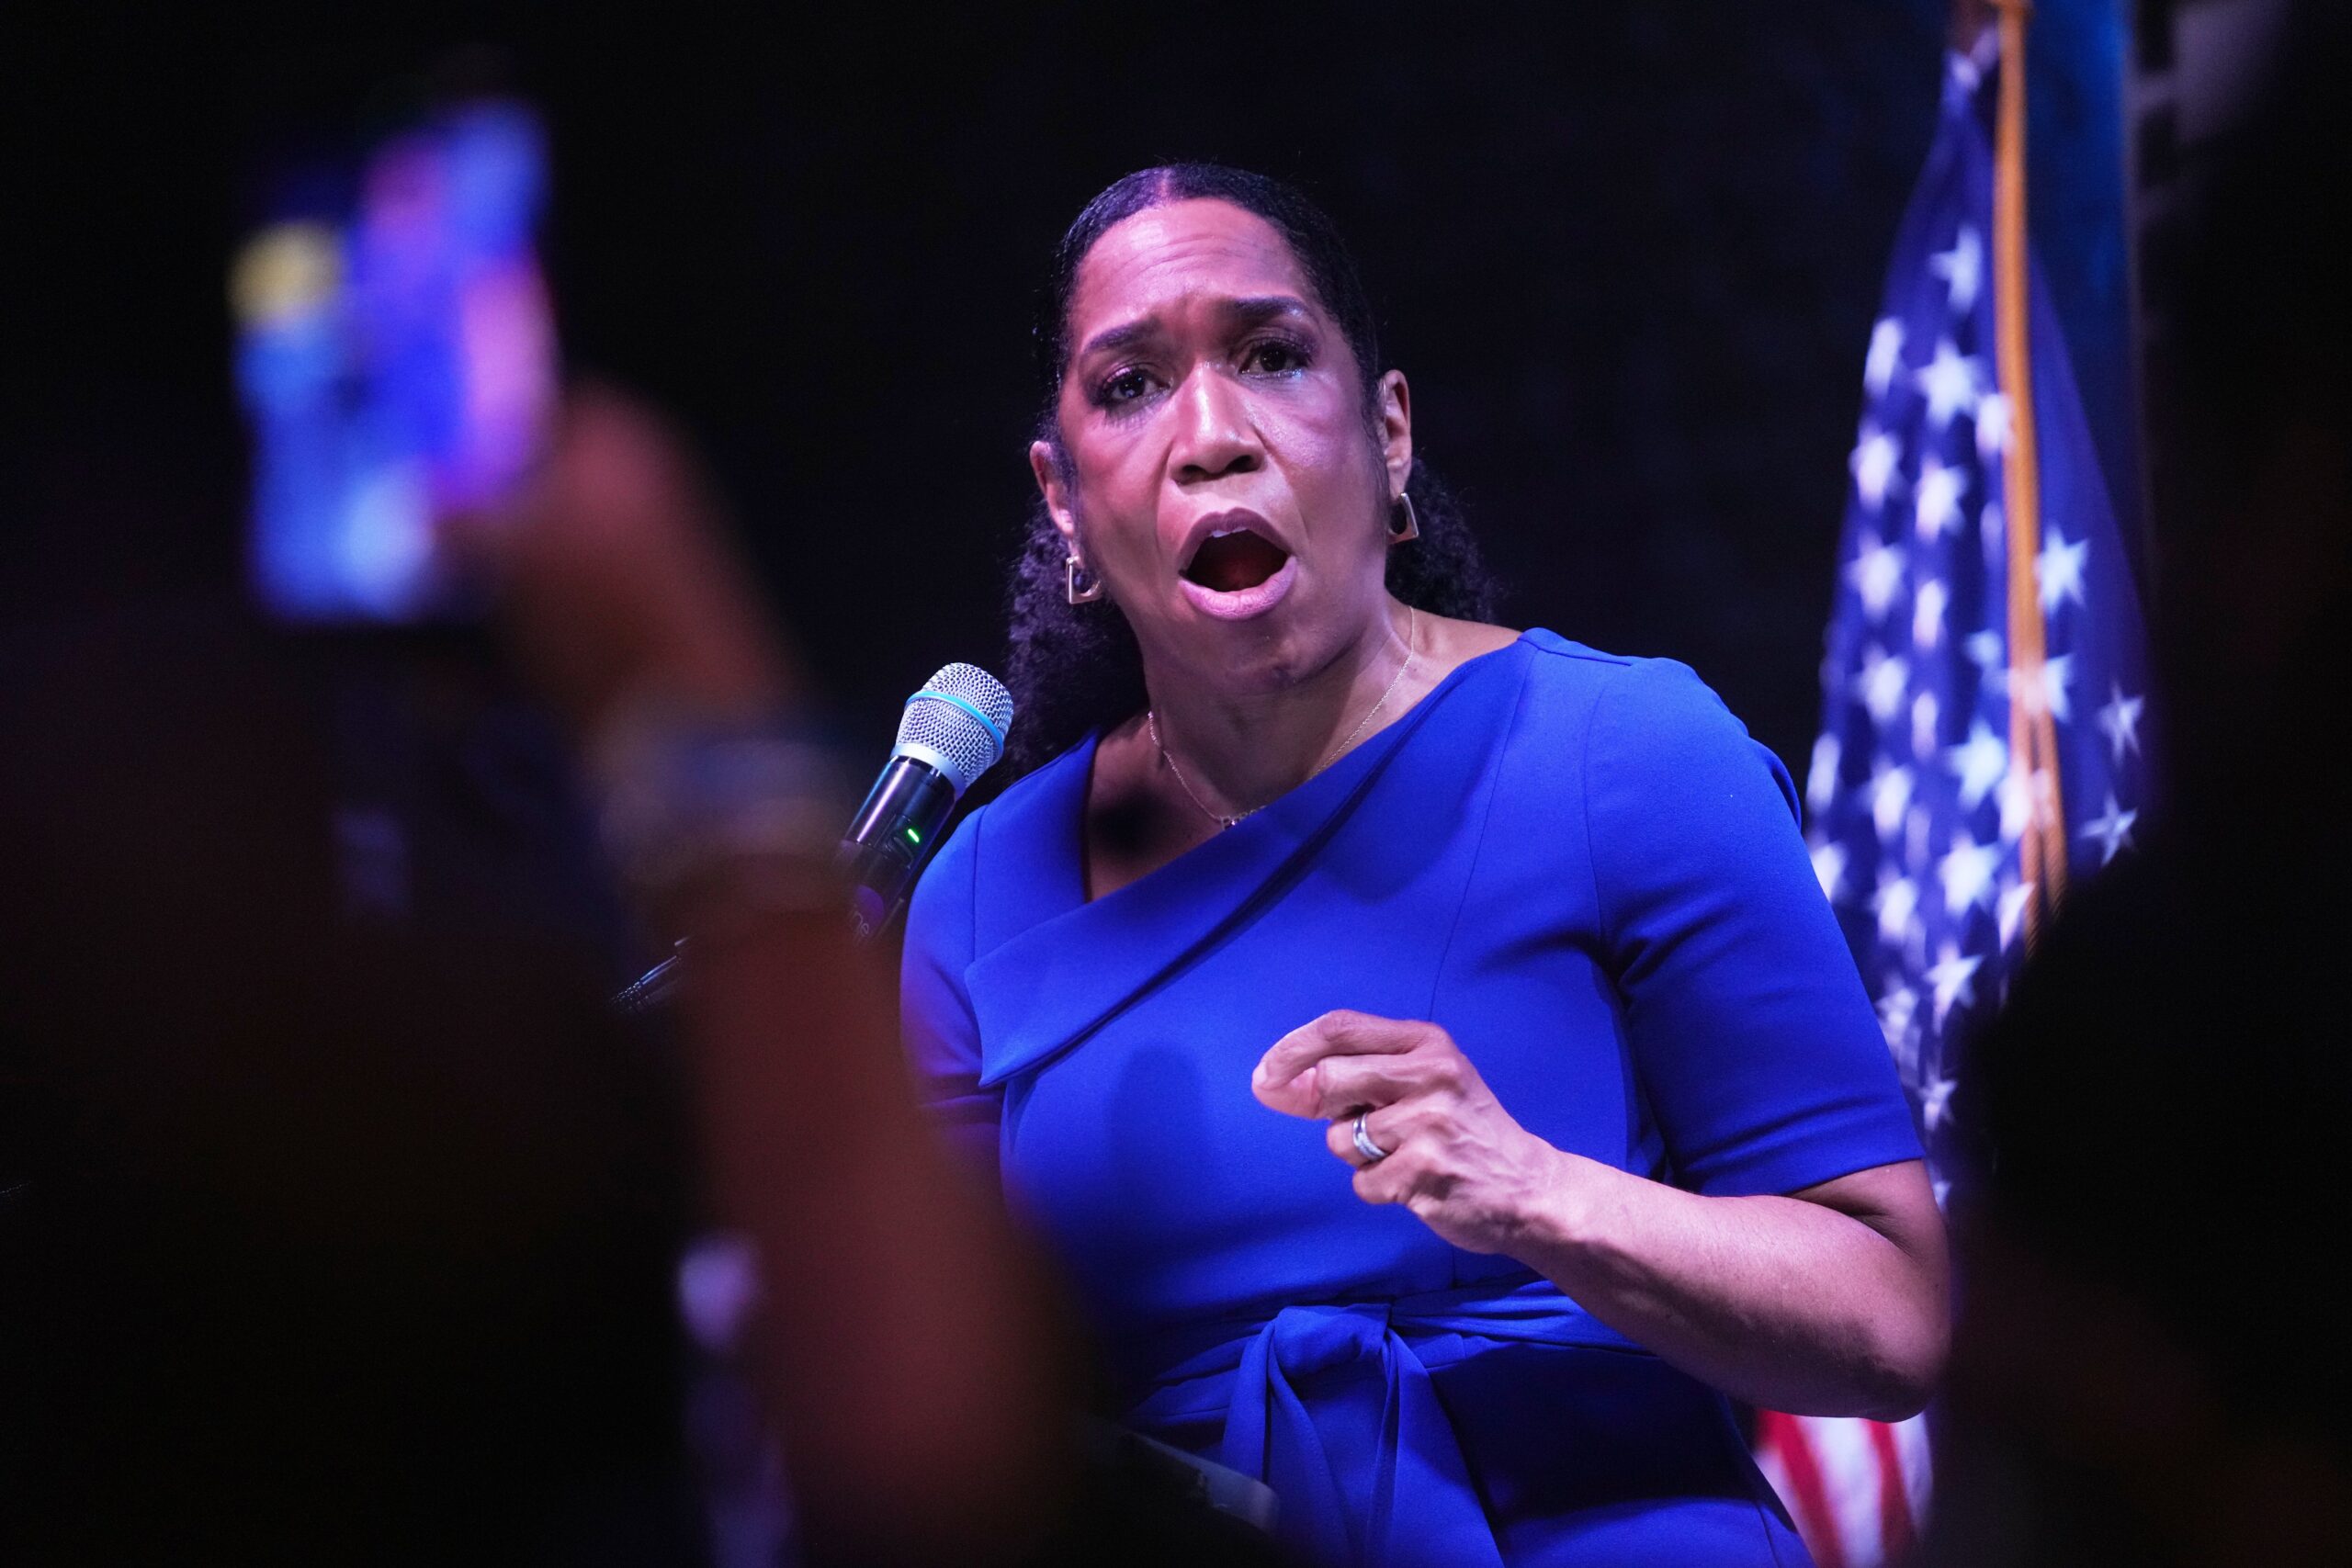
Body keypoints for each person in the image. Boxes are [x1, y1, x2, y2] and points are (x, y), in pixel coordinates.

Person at [900, 164, 1950, 1568]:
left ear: (1388, 433)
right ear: (1067, 502)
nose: (1211, 435)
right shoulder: (977, 895)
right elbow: (944, 1430)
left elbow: (1892, 1314)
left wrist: (1537, 1193)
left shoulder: (1625, 754)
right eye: (1132, 385)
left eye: (1271, 356)